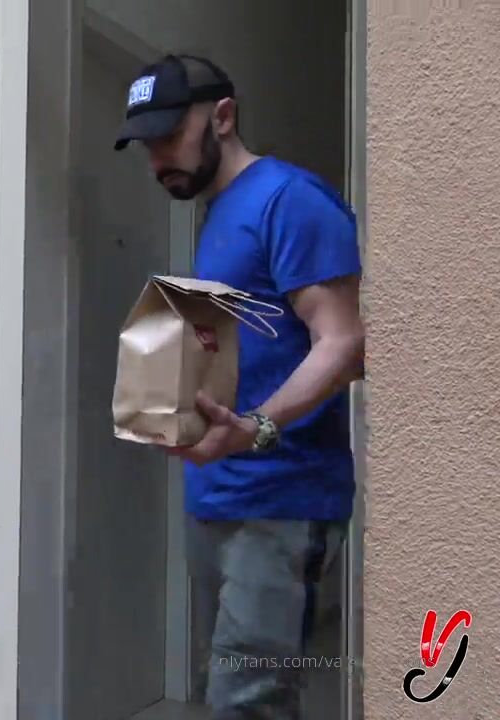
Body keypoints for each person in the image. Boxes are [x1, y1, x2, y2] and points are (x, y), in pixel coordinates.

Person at [113, 54, 366, 719]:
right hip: (217, 495)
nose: (157, 160)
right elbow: (251, 347)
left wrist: (255, 428)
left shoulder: (290, 200)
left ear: (223, 117)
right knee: (225, 691)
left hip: (281, 501)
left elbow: (343, 343)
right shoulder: (221, 214)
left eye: (170, 136)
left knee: (249, 701)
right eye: (147, 145)